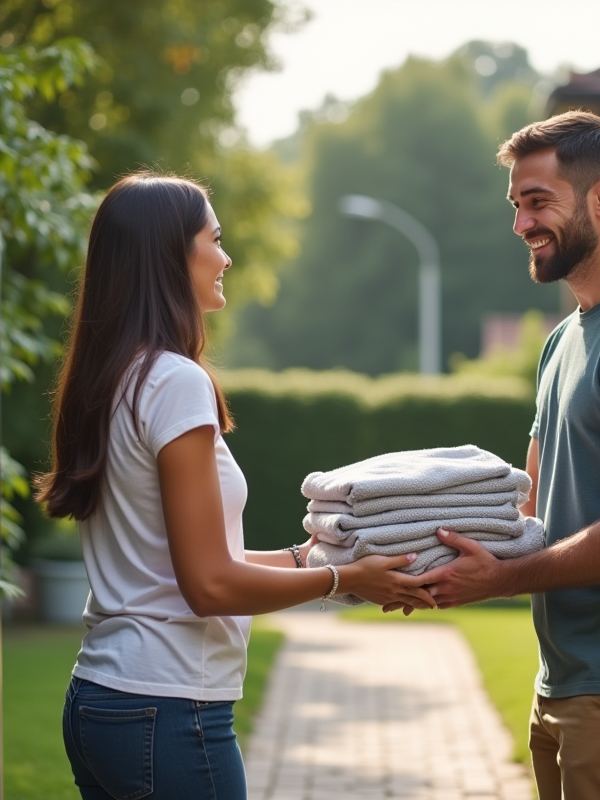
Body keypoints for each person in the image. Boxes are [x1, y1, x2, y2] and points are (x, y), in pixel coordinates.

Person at [34, 172, 436, 800]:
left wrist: (305, 558)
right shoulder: (174, 381)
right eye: (215, 240)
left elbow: (178, 562)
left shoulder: (113, 378)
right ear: (170, 255)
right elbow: (209, 586)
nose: (226, 258)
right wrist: (341, 579)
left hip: (103, 700)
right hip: (168, 707)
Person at [411, 111, 600, 799]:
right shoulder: (567, 338)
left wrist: (499, 581)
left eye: (538, 202)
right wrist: (419, 559)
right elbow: (530, 502)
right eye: (516, 205)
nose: (521, 223)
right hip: (572, 680)